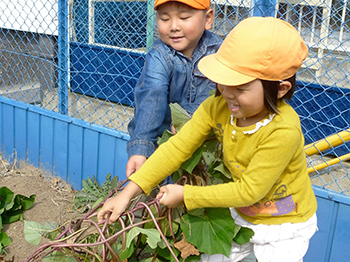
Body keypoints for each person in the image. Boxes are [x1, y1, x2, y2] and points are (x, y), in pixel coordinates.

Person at [98, 17, 318, 262]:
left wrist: (185, 194)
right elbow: (178, 147)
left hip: (285, 223)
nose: (227, 93)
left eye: (241, 87)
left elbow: (249, 191)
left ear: (280, 89)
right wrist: (127, 194)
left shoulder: (282, 131)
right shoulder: (218, 106)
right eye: (223, 81)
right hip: (240, 212)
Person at [126, 0, 222, 177]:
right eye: (164, 18)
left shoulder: (220, 53)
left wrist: (186, 121)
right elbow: (151, 97)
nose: (174, 26)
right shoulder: (159, 55)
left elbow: (214, 94)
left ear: (208, 18)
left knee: (199, 189)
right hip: (160, 137)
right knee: (145, 181)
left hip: (206, 139)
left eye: (184, 17)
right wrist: (141, 147)